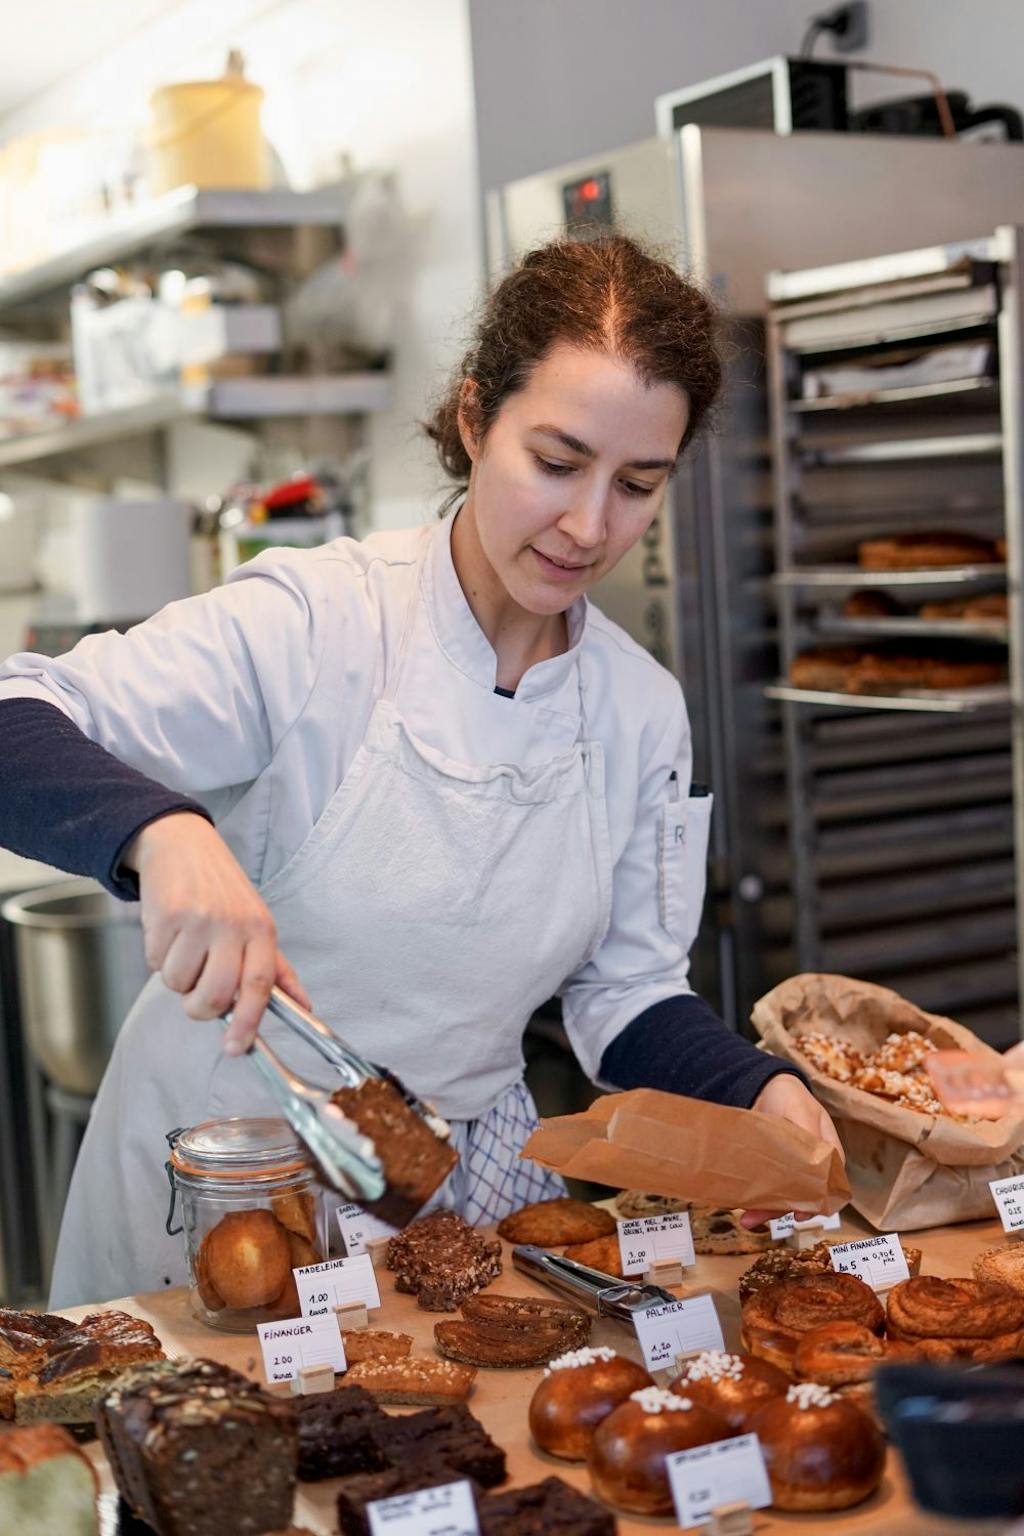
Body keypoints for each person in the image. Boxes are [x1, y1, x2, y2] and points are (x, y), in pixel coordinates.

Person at [0, 234, 841, 1307]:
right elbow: (17, 714)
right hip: (233, 1180)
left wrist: (757, 1091)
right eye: (555, 461)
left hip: (457, 1184)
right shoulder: (317, 620)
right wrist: (162, 835)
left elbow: (623, 991)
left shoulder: (636, 710)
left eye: (638, 484)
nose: (589, 526)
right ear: (472, 416)